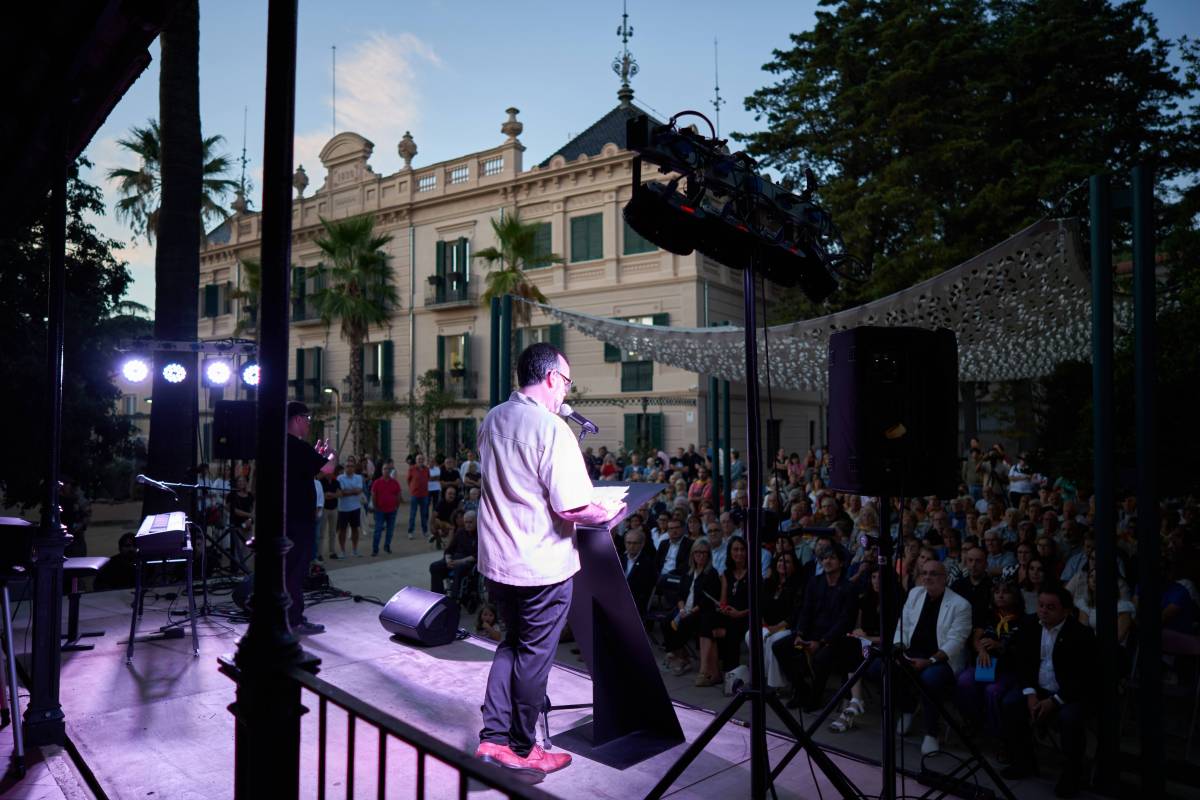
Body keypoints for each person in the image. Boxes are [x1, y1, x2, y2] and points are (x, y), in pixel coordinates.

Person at [474, 343, 624, 775]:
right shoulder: (552, 428)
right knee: (534, 656)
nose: (566, 391)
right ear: (554, 379)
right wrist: (607, 511)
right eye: (566, 381)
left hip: (498, 561)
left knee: (511, 645)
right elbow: (573, 508)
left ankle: (493, 740)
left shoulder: (494, 417)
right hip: (539, 564)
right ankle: (523, 749)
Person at [1000, 586, 1096, 797]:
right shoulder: (1029, 625)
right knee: (1010, 704)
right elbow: (1022, 664)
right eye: (1041, 606)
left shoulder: (1081, 634)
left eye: (1050, 607)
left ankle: (1072, 773)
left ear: (1066, 611)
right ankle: (1023, 761)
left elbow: (1083, 678)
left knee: (1070, 718)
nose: (1043, 611)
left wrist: (1055, 701)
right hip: (1037, 688)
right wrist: (1030, 693)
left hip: (1068, 694)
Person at [893, 559, 973, 756]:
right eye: (924, 573)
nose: (927, 577)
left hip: (941, 660)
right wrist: (899, 649)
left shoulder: (960, 605)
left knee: (930, 678)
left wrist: (929, 661)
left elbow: (956, 641)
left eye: (934, 574)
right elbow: (902, 625)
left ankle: (931, 733)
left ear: (944, 578)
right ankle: (907, 710)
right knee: (891, 666)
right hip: (912, 652)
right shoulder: (915, 593)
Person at [285, 401, 336, 636]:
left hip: (285, 517)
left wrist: (316, 456)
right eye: (307, 418)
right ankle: (294, 619)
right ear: (296, 419)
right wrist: (329, 455)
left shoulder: (282, 446)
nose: (308, 423)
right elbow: (327, 469)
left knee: (285, 570)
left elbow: (309, 468)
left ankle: (286, 615)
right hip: (300, 520)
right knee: (296, 570)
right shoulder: (298, 446)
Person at [430, 510, 478, 603]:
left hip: (467, 562)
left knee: (458, 568)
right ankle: (437, 597)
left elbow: (477, 555)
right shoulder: (460, 532)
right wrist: (448, 560)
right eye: (466, 522)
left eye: (470, 522)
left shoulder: (480, 534)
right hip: (454, 559)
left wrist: (459, 562)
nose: (468, 525)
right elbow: (449, 549)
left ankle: (454, 598)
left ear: (476, 521)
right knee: (434, 566)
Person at [621, 529, 657, 615]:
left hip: (635, 603)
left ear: (642, 544)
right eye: (628, 543)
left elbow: (643, 590)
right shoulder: (619, 559)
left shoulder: (648, 564)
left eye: (635, 543)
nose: (631, 546)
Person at [335, 457, 365, 558]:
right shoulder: (340, 478)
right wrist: (353, 491)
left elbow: (359, 490)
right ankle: (342, 551)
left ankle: (355, 550)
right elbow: (341, 492)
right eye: (347, 466)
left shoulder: (358, 477)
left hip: (355, 507)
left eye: (352, 466)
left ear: (354, 467)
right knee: (342, 530)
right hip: (343, 508)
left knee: (355, 529)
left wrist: (348, 491)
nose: (349, 468)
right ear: (344, 467)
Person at [370, 463, 402, 555]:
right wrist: (376, 507)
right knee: (378, 530)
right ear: (382, 470)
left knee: (390, 530)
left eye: (388, 469)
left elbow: (398, 495)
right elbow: (373, 495)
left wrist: (397, 506)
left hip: (392, 510)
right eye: (385, 469)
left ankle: (387, 546)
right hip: (380, 510)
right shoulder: (377, 482)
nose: (386, 470)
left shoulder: (395, 483)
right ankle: (375, 549)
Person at [407, 453, 431, 540]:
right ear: (416, 460)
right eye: (419, 459)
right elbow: (408, 480)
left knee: (424, 514)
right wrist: (412, 489)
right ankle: (410, 532)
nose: (420, 460)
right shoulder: (412, 469)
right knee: (412, 514)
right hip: (415, 495)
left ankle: (425, 531)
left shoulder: (426, 469)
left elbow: (428, 478)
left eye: (421, 459)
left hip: (424, 494)